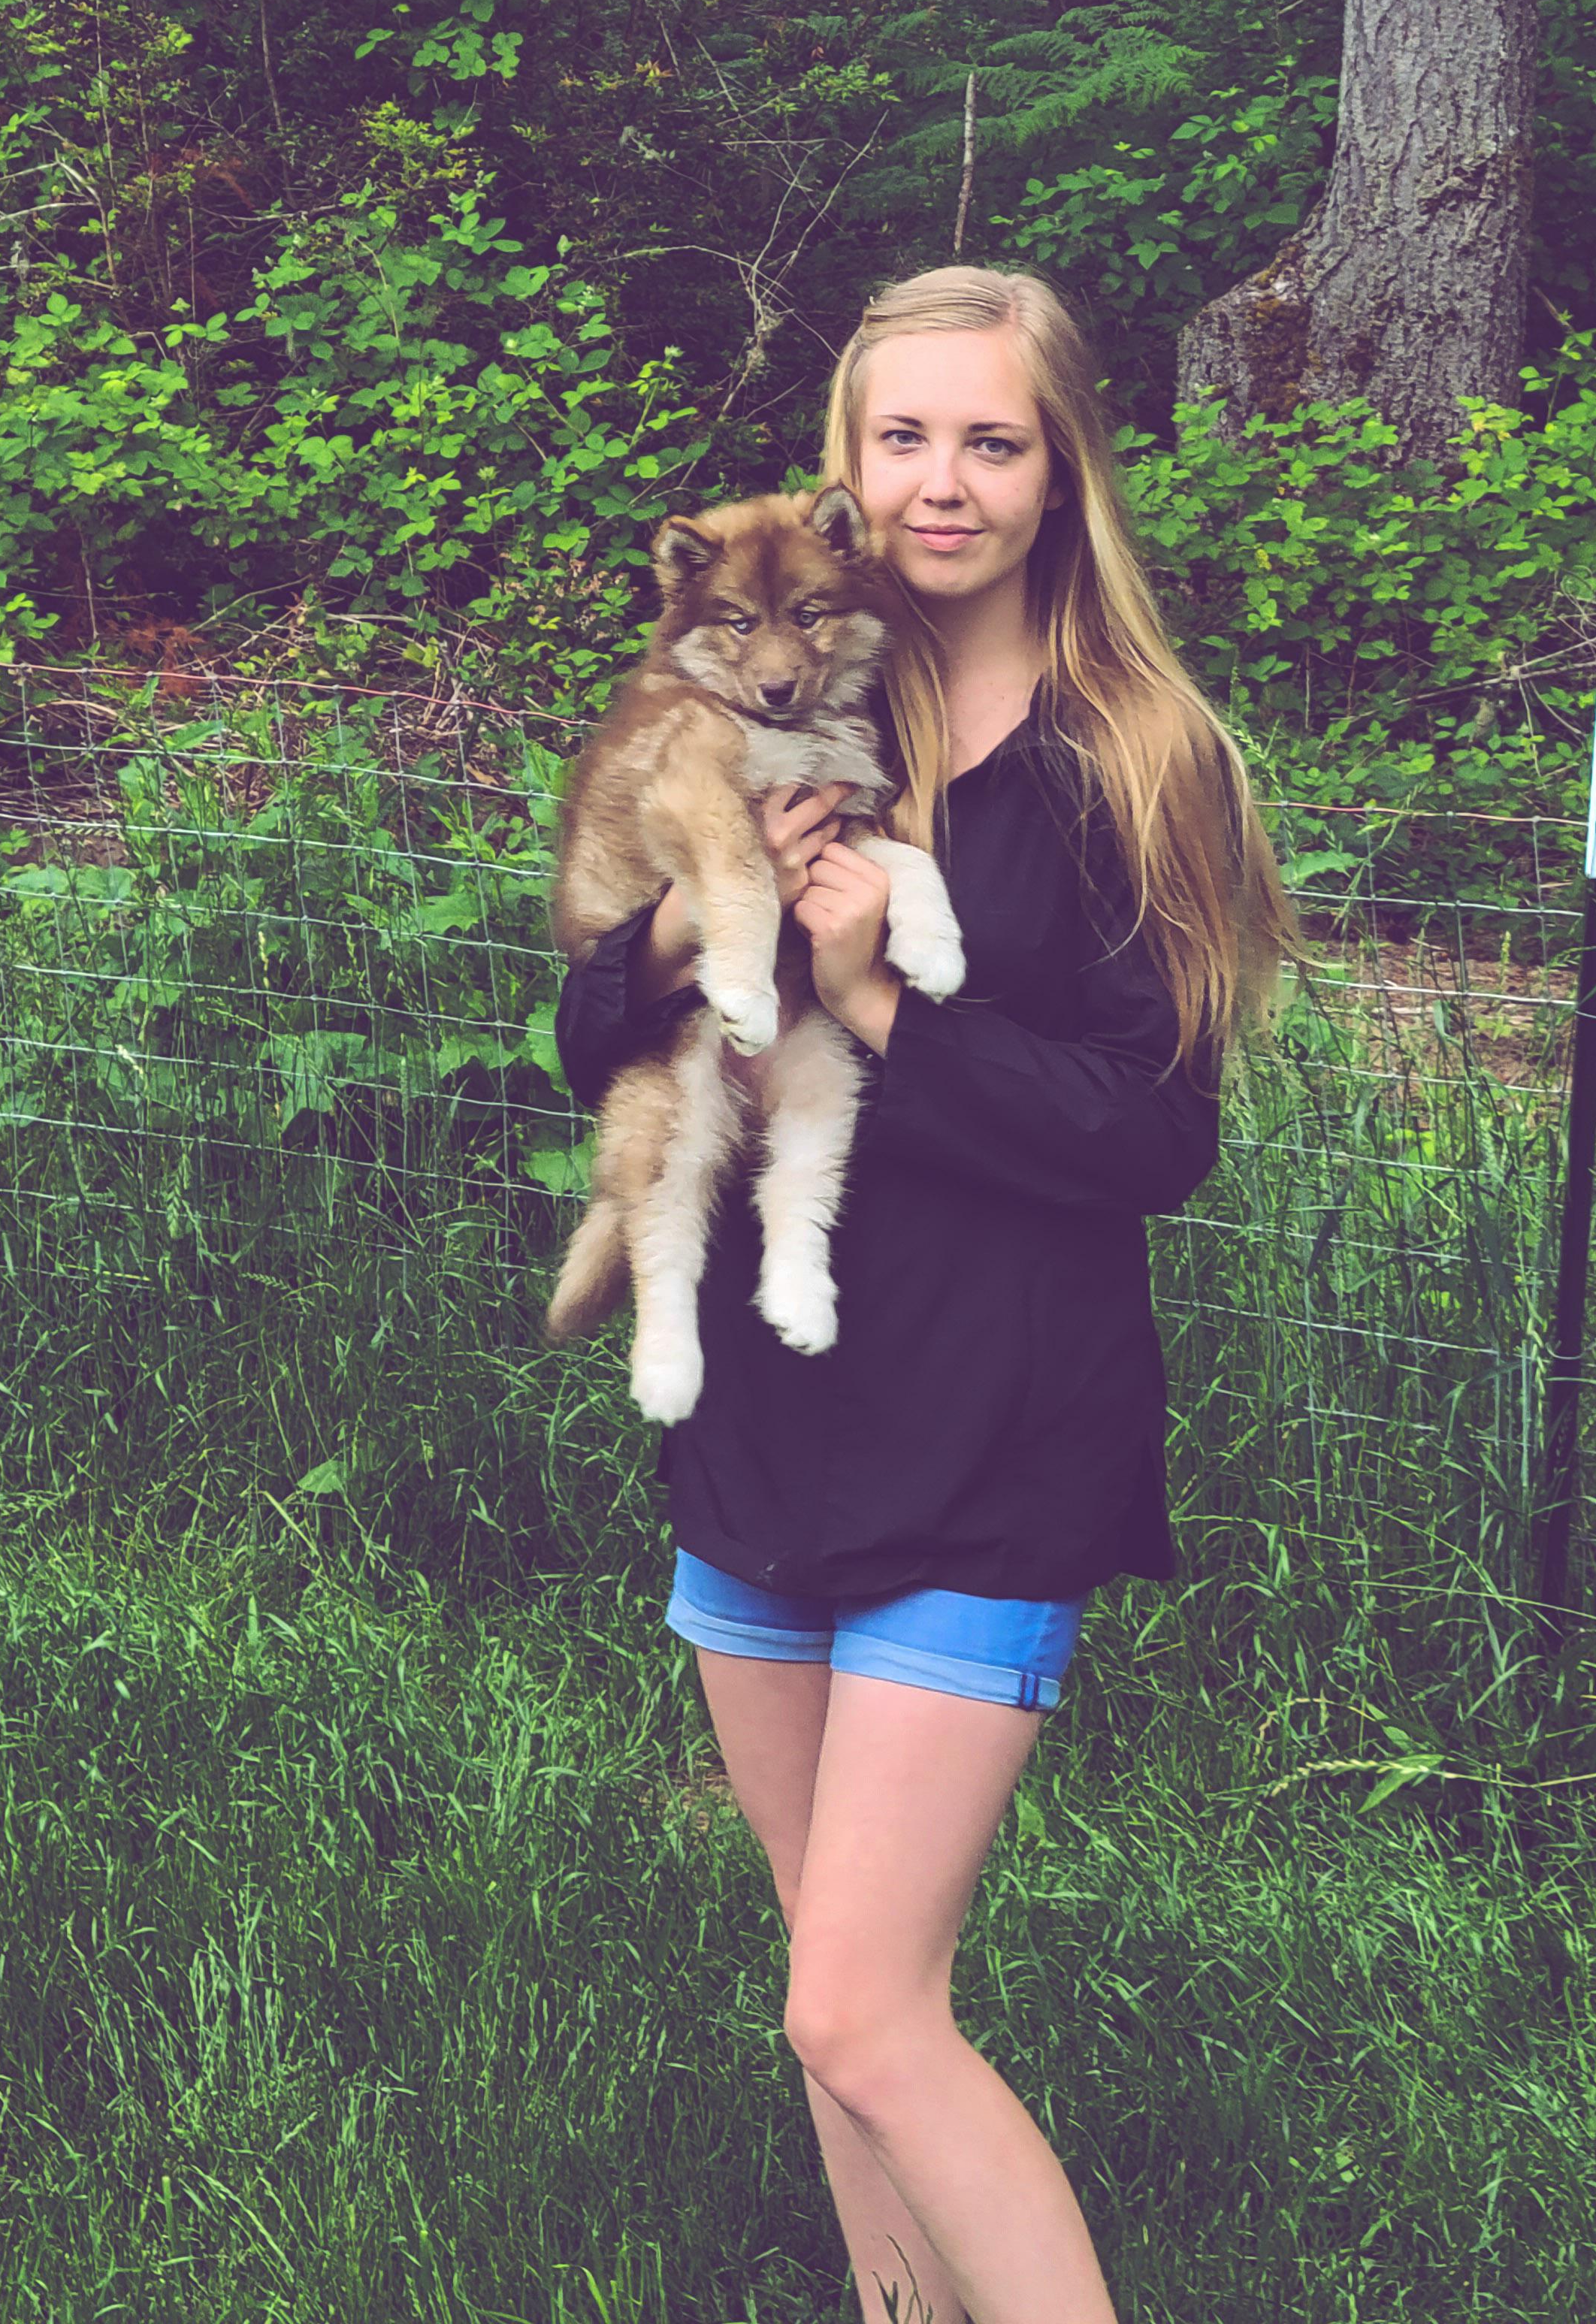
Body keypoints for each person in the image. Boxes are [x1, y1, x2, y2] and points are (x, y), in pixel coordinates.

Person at [554, 265, 1297, 2324]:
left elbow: (1152, 1137)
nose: (943, 481)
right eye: (904, 438)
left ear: (1063, 473)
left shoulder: (1136, 756)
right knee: (833, 1990)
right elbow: (593, 1029)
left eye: (992, 439)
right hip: (769, 1413)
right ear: (847, 470)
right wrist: (682, 933)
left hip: (995, 1427)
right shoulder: (777, 713)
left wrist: (877, 994)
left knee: (864, 2009)